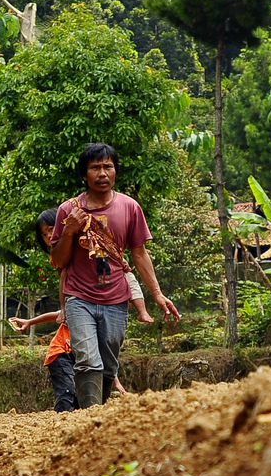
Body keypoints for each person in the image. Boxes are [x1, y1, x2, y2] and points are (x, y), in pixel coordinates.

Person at [46, 143, 178, 408]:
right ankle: (89, 415)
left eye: (108, 166)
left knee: (108, 364)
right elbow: (59, 261)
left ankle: (98, 413)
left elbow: (139, 254)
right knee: (87, 359)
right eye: (95, 167)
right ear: (84, 174)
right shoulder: (67, 210)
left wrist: (157, 294)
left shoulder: (130, 208)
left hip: (117, 300)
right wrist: (69, 230)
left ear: (116, 171)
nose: (102, 173)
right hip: (79, 297)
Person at [9, 209, 146, 409]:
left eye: (50, 231)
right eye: (44, 235)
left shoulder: (91, 247)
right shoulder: (75, 296)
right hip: (62, 352)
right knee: (67, 398)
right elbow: (63, 284)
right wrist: (58, 310)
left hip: (76, 352)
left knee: (83, 390)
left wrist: (118, 261)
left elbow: (106, 361)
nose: (48, 238)